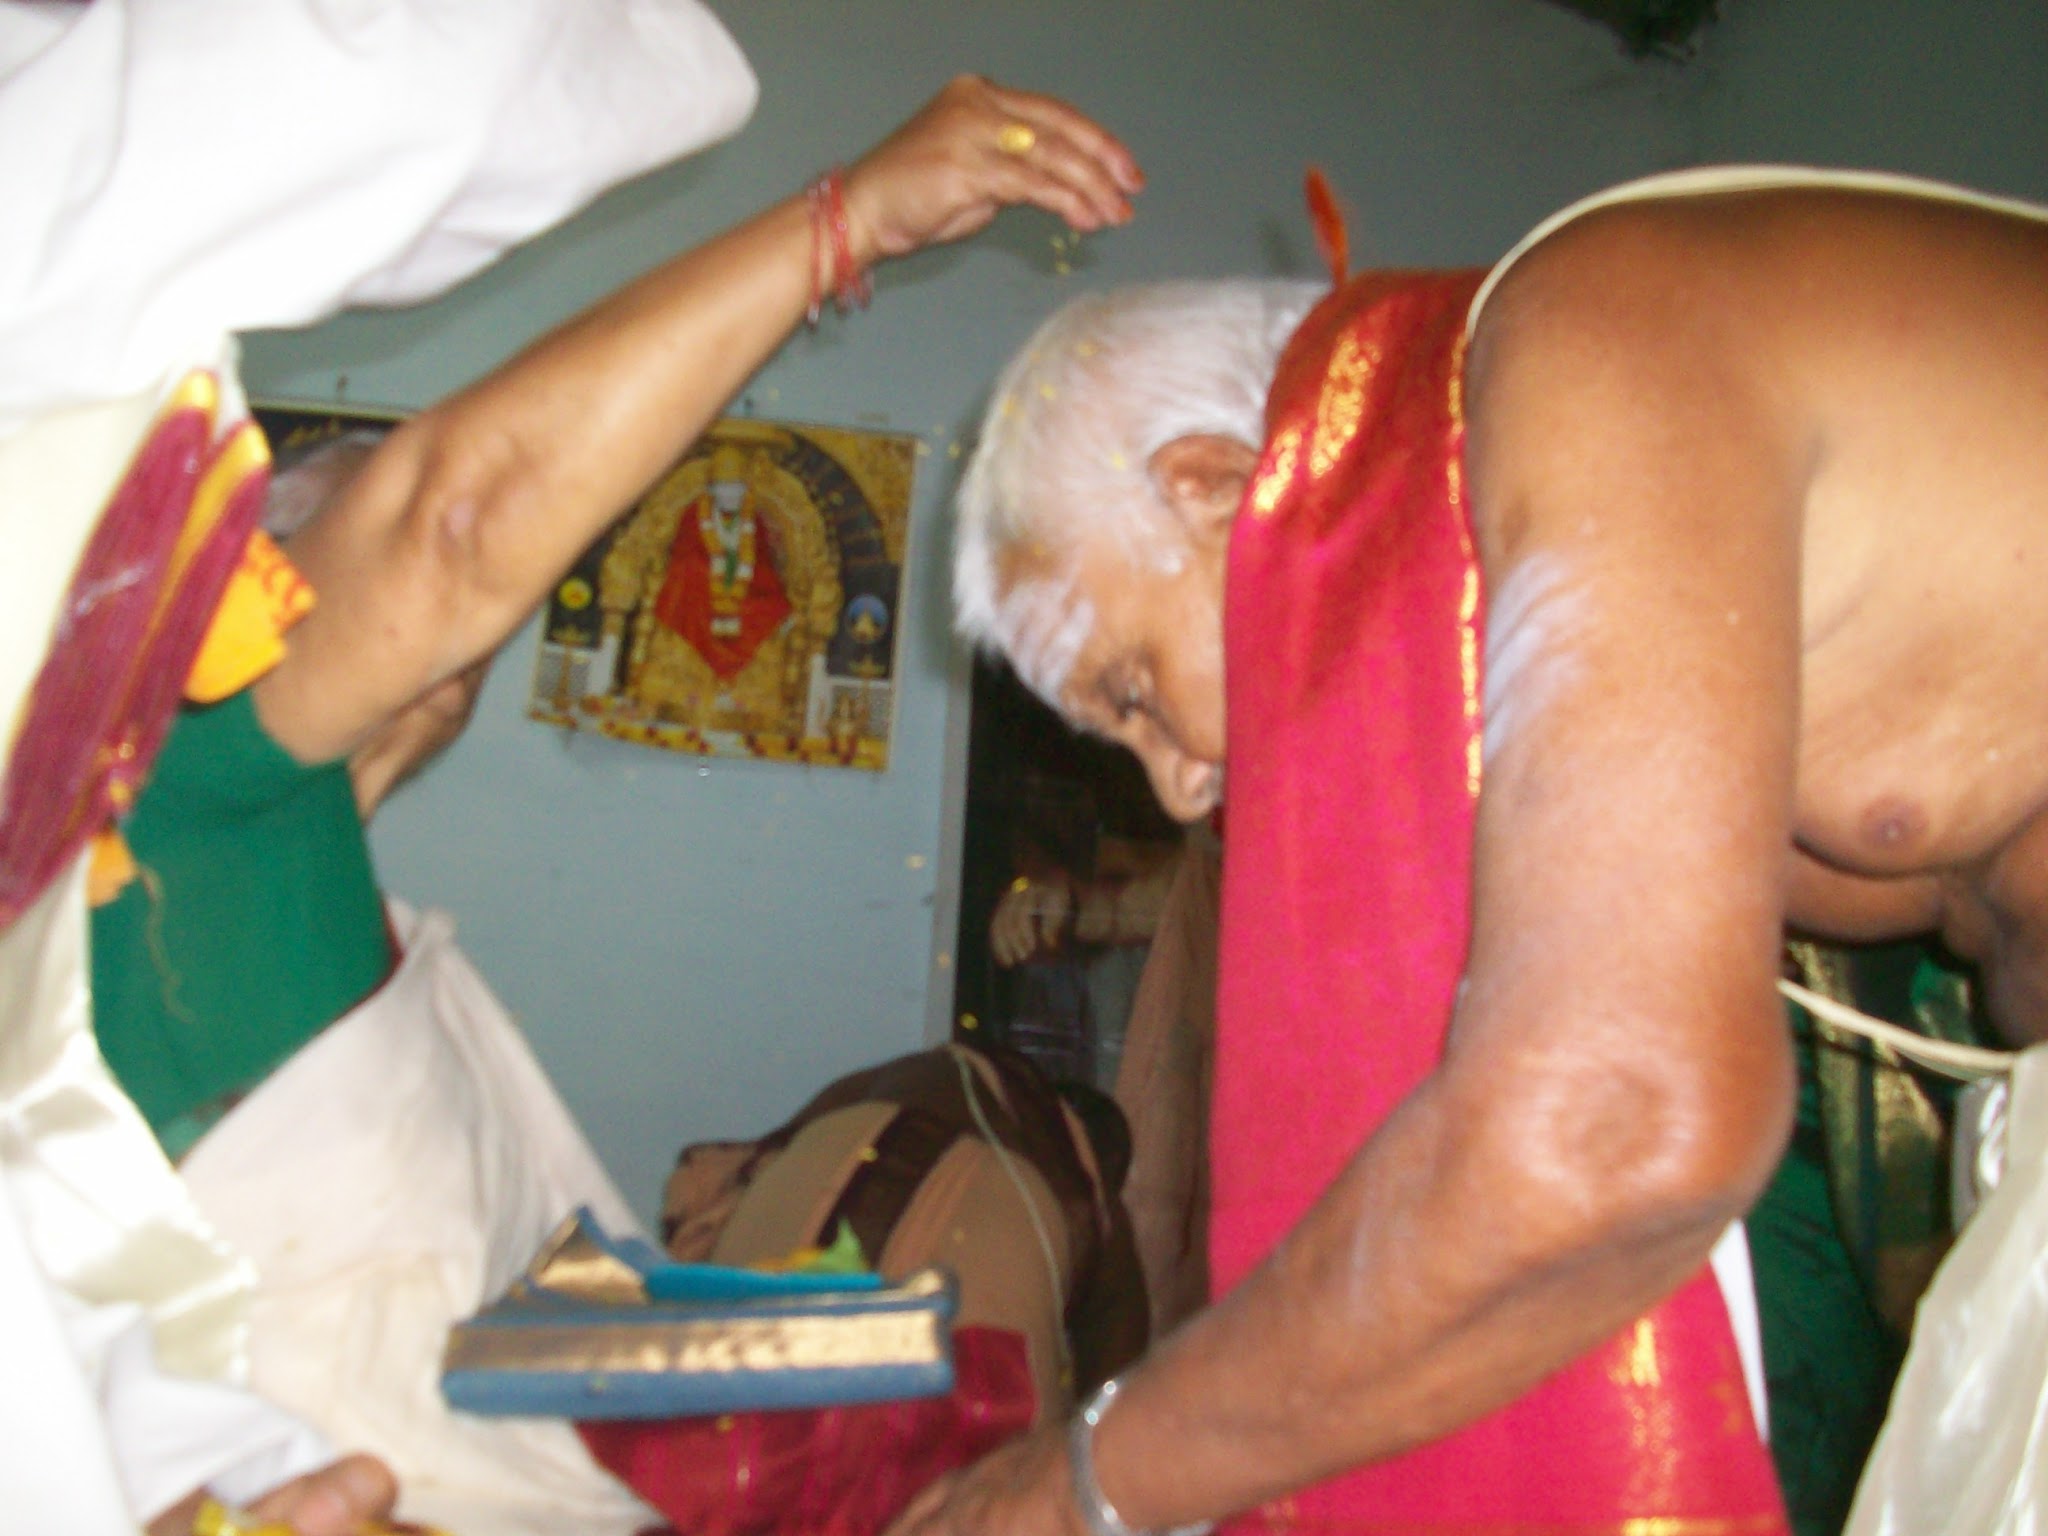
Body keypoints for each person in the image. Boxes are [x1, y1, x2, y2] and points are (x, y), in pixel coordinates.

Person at [889, 167, 2048, 1536]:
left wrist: (1083, 1483)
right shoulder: (1502, 652)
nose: (1182, 784)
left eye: (1134, 693)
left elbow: (1618, 1122)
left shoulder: (1592, 340)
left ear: (1217, 489)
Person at [77, 64, 1142, 1536]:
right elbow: (455, 526)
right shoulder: (169, 796)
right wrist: (851, 220)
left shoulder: (354, 924)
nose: (469, 627)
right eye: (340, 532)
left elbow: (492, 1316)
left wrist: (786, 1335)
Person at [0, 2, 759, 1529]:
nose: (455, 659)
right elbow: (451, 532)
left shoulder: (315, 867)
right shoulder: (190, 773)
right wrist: (840, 221)